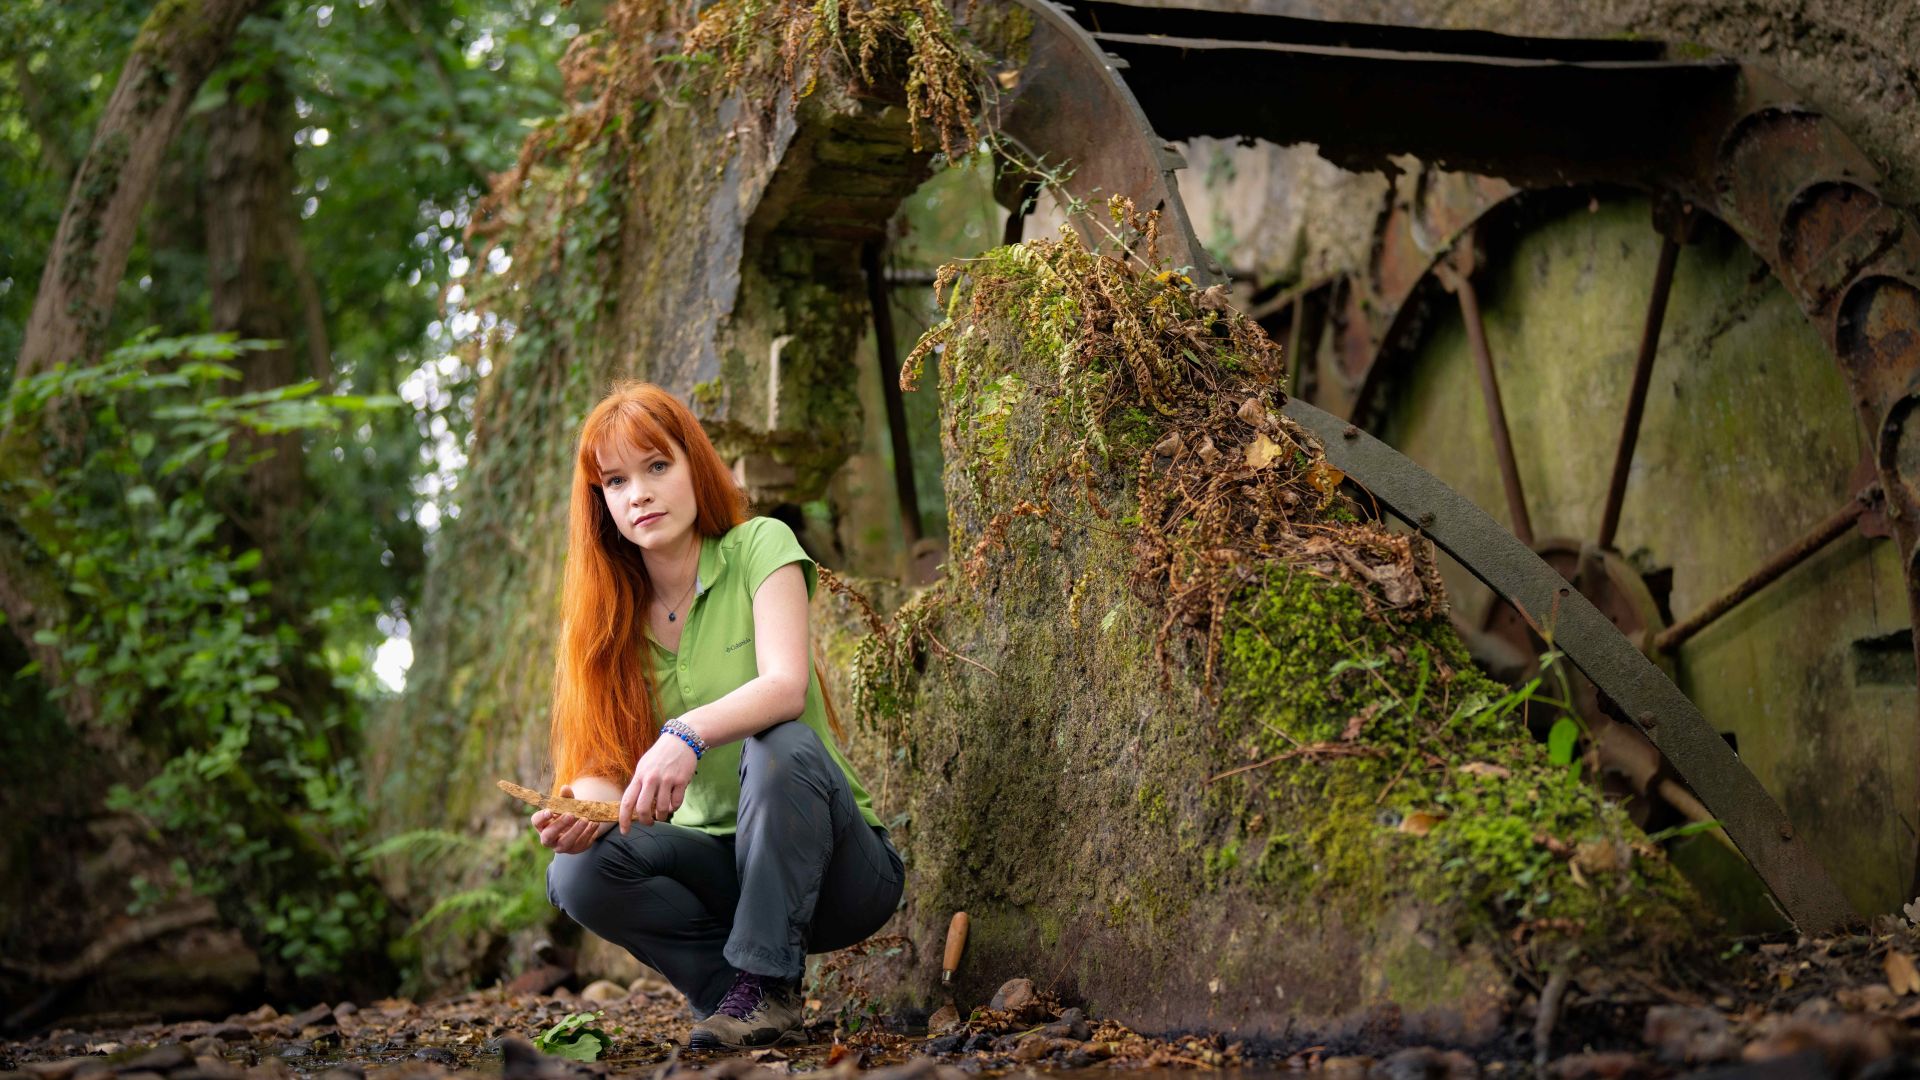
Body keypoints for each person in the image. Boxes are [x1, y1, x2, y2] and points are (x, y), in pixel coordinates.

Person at [531, 381, 903, 1049]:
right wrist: (583, 813)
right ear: (601, 504)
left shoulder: (760, 546)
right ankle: (740, 998)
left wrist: (687, 732)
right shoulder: (601, 622)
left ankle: (762, 982)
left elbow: (785, 686)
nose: (638, 493)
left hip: (837, 869)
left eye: (656, 466)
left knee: (777, 745)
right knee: (576, 874)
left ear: (694, 465)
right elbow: (602, 770)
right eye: (615, 481)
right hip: (720, 873)